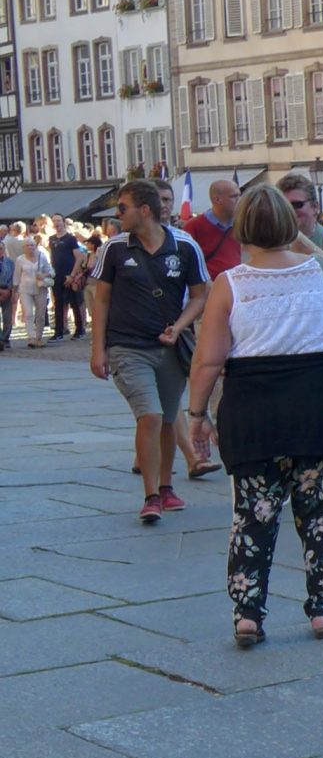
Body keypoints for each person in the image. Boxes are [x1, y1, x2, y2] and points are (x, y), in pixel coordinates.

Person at [182, 182, 323, 643]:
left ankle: (248, 615)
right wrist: (304, 243)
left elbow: (207, 360)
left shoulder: (230, 284)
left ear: (241, 228)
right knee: (322, 515)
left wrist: (197, 414)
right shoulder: (319, 273)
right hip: (318, 410)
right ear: (289, 225)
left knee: (252, 517)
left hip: (253, 414)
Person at [91, 180, 210, 523]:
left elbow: (201, 294)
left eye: (122, 208)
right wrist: (98, 349)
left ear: (144, 210)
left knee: (169, 420)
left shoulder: (185, 246)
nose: (118, 215)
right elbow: (101, 300)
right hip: (127, 346)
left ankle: (167, 486)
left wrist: (181, 324)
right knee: (151, 415)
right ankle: (151, 494)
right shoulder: (114, 248)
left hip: (169, 348)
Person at [14, 226, 51, 347]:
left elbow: (50, 271)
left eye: (32, 245)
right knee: (28, 313)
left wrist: (44, 274)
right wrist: (15, 290)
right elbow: (17, 276)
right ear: (23, 248)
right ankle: (31, 337)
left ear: (36, 246)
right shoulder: (20, 259)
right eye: (28, 245)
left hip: (41, 288)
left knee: (40, 314)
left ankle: (38, 337)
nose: (30, 248)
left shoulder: (42, 256)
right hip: (25, 289)